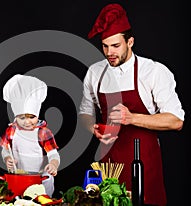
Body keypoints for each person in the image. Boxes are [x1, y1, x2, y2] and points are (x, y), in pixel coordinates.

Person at [79, 3, 185, 206]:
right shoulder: (95, 72)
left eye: (116, 46)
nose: (110, 52)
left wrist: (132, 117)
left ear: (130, 42)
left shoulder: (153, 71)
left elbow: (176, 120)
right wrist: (92, 127)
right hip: (107, 165)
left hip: (143, 162)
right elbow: (85, 112)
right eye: (105, 46)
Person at [0, 74, 60, 197]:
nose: (27, 122)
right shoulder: (11, 130)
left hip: (41, 178)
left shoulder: (43, 132)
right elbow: (5, 150)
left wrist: (53, 164)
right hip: (19, 178)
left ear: (37, 114)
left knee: (42, 200)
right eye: (21, 118)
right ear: (15, 116)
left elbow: (53, 154)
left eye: (31, 117)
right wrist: (7, 159)